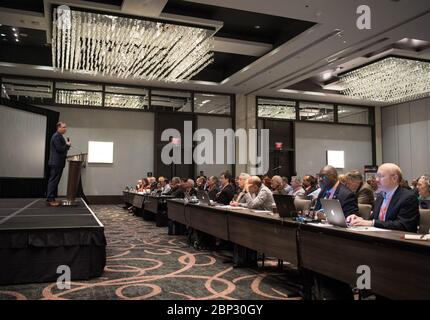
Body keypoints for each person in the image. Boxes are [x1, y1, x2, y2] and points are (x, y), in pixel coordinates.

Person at [347, 163, 420, 232]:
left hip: (397, 241)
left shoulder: (408, 198)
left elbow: (403, 225)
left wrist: (371, 223)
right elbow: (373, 220)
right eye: (377, 176)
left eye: (381, 176)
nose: (377, 180)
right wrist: (359, 220)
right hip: (378, 238)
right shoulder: (381, 197)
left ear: (394, 178)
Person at [46, 122, 71, 206]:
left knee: (55, 181)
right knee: (53, 181)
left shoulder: (59, 136)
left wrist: (67, 146)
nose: (65, 129)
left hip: (58, 162)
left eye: (65, 127)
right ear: (58, 127)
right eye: (64, 127)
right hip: (56, 163)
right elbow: (59, 149)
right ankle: (50, 199)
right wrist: (67, 145)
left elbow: (61, 150)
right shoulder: (57, 136)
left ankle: (52, 198)